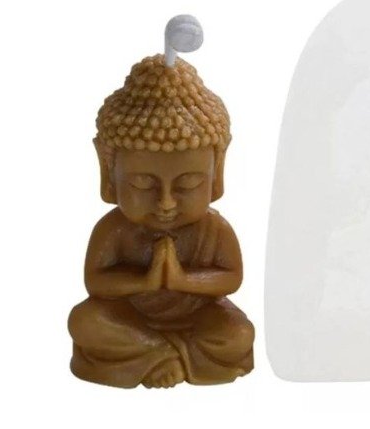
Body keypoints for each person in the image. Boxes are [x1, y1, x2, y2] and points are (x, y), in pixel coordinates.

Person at [68, 54, 254, 388]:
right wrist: (146, 282)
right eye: (142, 185)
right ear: (109, 173)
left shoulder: (215, 229)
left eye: (188, 184)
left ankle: (156, 356)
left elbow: (231, 278)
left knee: (238, 333)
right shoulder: (114, 229)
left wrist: (182, 280)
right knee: (85, 321)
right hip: (129, 317)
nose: (166, 203)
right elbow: (96, 283)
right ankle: (170, 354)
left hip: (199, 317)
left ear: (216, 174)